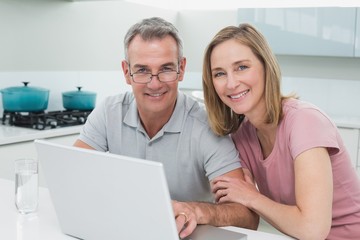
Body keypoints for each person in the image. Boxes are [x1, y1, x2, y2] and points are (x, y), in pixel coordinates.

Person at [73, 17, 258, 238]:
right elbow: (71, 176)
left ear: (181, 69)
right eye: (142, 70)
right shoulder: (108, 112)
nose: (155, 83)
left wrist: (196, 210)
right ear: (126, 72)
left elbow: (247, 216)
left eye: (166, 69)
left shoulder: (208, 127)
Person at [202, 23, 360, 240]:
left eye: (241, 67)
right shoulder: (242, 137)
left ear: (266, 67)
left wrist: (252, 197)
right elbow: (236, 199)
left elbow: (312, 229)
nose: (231, 83)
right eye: (219, 73)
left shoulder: (304, 122)